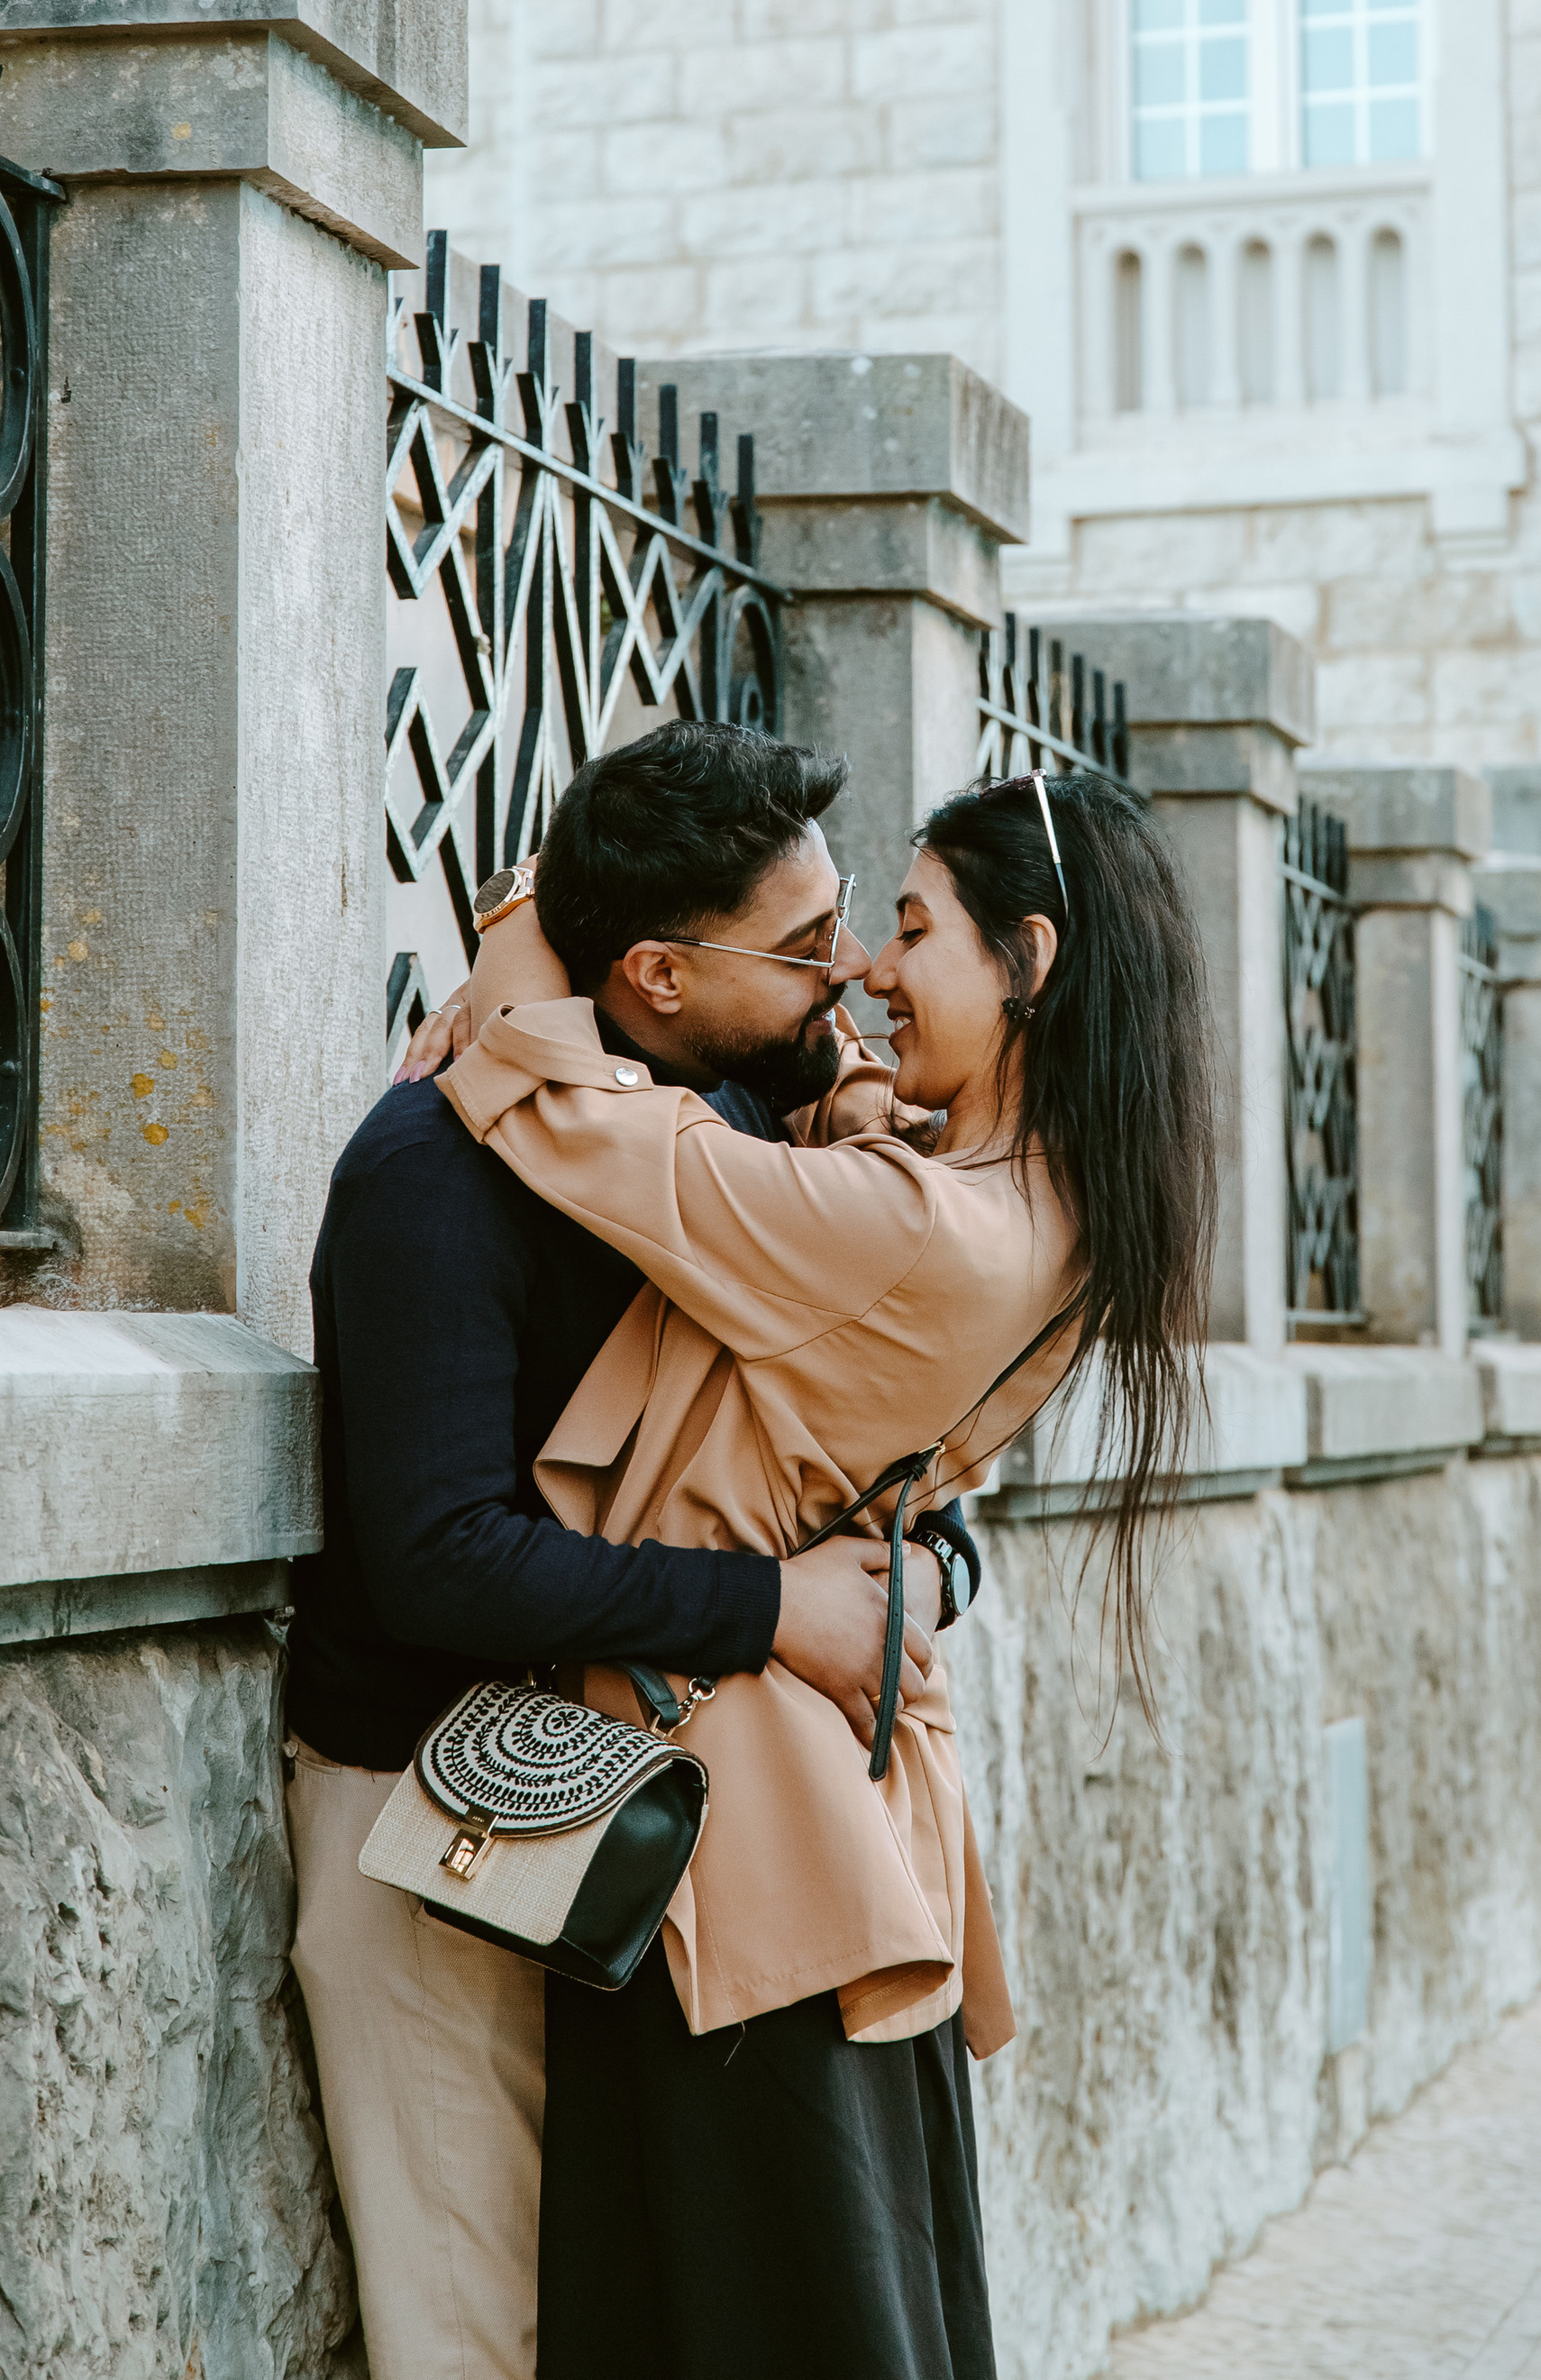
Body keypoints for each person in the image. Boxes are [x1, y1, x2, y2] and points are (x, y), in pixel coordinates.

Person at [440, 754, 1219, 2380]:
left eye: (914, 928)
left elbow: (573, 1118)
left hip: (729, 1823)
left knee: (728, 2301)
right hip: (846, 1808)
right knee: (851, 2296)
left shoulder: (911, 1225)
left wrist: (527, 926)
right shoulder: (1059, 1214)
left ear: (1032, 960)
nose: (867, 967)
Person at [286, 725, 982, 2380]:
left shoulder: (734, 1140)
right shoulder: (432, 1175)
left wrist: (911, 1585)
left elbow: (891, 1470)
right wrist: (774, 1611)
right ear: (659, 972)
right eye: (809, 950)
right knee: (485, 2332)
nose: (853, 981)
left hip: (670, 1823)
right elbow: (443, 1562)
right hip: (447, 1825)